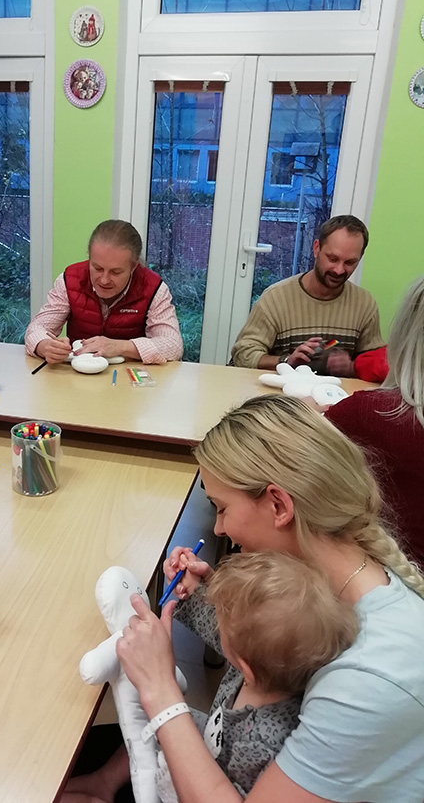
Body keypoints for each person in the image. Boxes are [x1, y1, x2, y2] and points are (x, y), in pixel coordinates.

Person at [76, 395, 424, 802]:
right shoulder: (321, 580)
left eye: (221, 508)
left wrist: (160, 688)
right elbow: (269, 652)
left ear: (278, 505)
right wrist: (205, 599)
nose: (217, 529)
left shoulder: (371, 677)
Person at [153, 551, 358, 801]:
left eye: (220, 621)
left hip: (207, 783)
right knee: (153, 725)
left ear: (245, 667)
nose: (216, 622)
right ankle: (109, 780)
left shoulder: (263, 741)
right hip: (215, 739)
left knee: (157, 725)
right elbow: (224, 631)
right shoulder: (270, 667)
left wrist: (162, 684)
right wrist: (195, 589)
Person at [325, 274, 424, 567]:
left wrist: (308, 415)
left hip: (385, 578)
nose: (339, 269)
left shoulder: (366, 415)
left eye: (349, 262)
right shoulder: (279, 296)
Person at [231, 215, 383, 376]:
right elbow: (243, 354)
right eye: (332, 259)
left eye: (350, 262)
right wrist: (286, 361)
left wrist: (351, 367)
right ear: (316, 249)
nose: (339, 270)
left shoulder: (364, 304)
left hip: (337, 391)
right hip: (284, 390)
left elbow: (379, 364)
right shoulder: (276, 298)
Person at [25, 220, 183, 365]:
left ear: (133, 267)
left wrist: (120, 346)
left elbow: (173, 345)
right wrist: (45, 346)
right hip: (78, 374)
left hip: (129, 378)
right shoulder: (70, 280)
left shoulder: (154, 288)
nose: (104, 280)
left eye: (115, 272)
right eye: (97, 268)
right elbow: (36, 329)